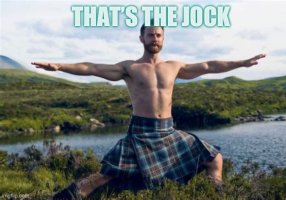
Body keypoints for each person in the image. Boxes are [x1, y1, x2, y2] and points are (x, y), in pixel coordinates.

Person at [32, 20, 265, 199]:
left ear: (163, 39)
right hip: (140, 133)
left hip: (168, 132)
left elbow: (209, 65)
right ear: (141, 38)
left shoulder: (174, 66)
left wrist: (241, 63)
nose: (155, 38)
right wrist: (59, 66)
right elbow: (91, 67)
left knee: (214, 159)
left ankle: (213, 196)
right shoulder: (129, 67)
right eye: (150, 34)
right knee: (104, 175)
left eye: (159, 35)